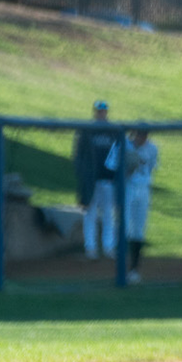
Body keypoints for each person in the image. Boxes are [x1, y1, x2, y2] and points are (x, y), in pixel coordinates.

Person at [102, 128, 159, 282]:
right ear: (135, 134)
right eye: (141, 134)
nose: (144, 138)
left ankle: (134, 270)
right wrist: (125, 170)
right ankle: (119, 269)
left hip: (144, 190)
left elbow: (152, 168)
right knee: (123, 226)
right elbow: (110, 166)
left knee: (139, 229)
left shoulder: (153, 148)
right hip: (127, 188)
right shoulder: (122, 144)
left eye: (146, 135)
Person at [72, 101, 118, 261]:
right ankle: (90, 249)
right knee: (89, 215)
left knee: (108, 215)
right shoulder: (86, 131)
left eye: (103, 111)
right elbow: (78, 155)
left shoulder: (114, 131)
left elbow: (119, 154)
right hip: (90, 181)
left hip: (108, 181)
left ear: (107, 113)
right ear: (95, 112)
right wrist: (82, 175)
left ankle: (108, 248)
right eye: (99, 111)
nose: (101, 113)